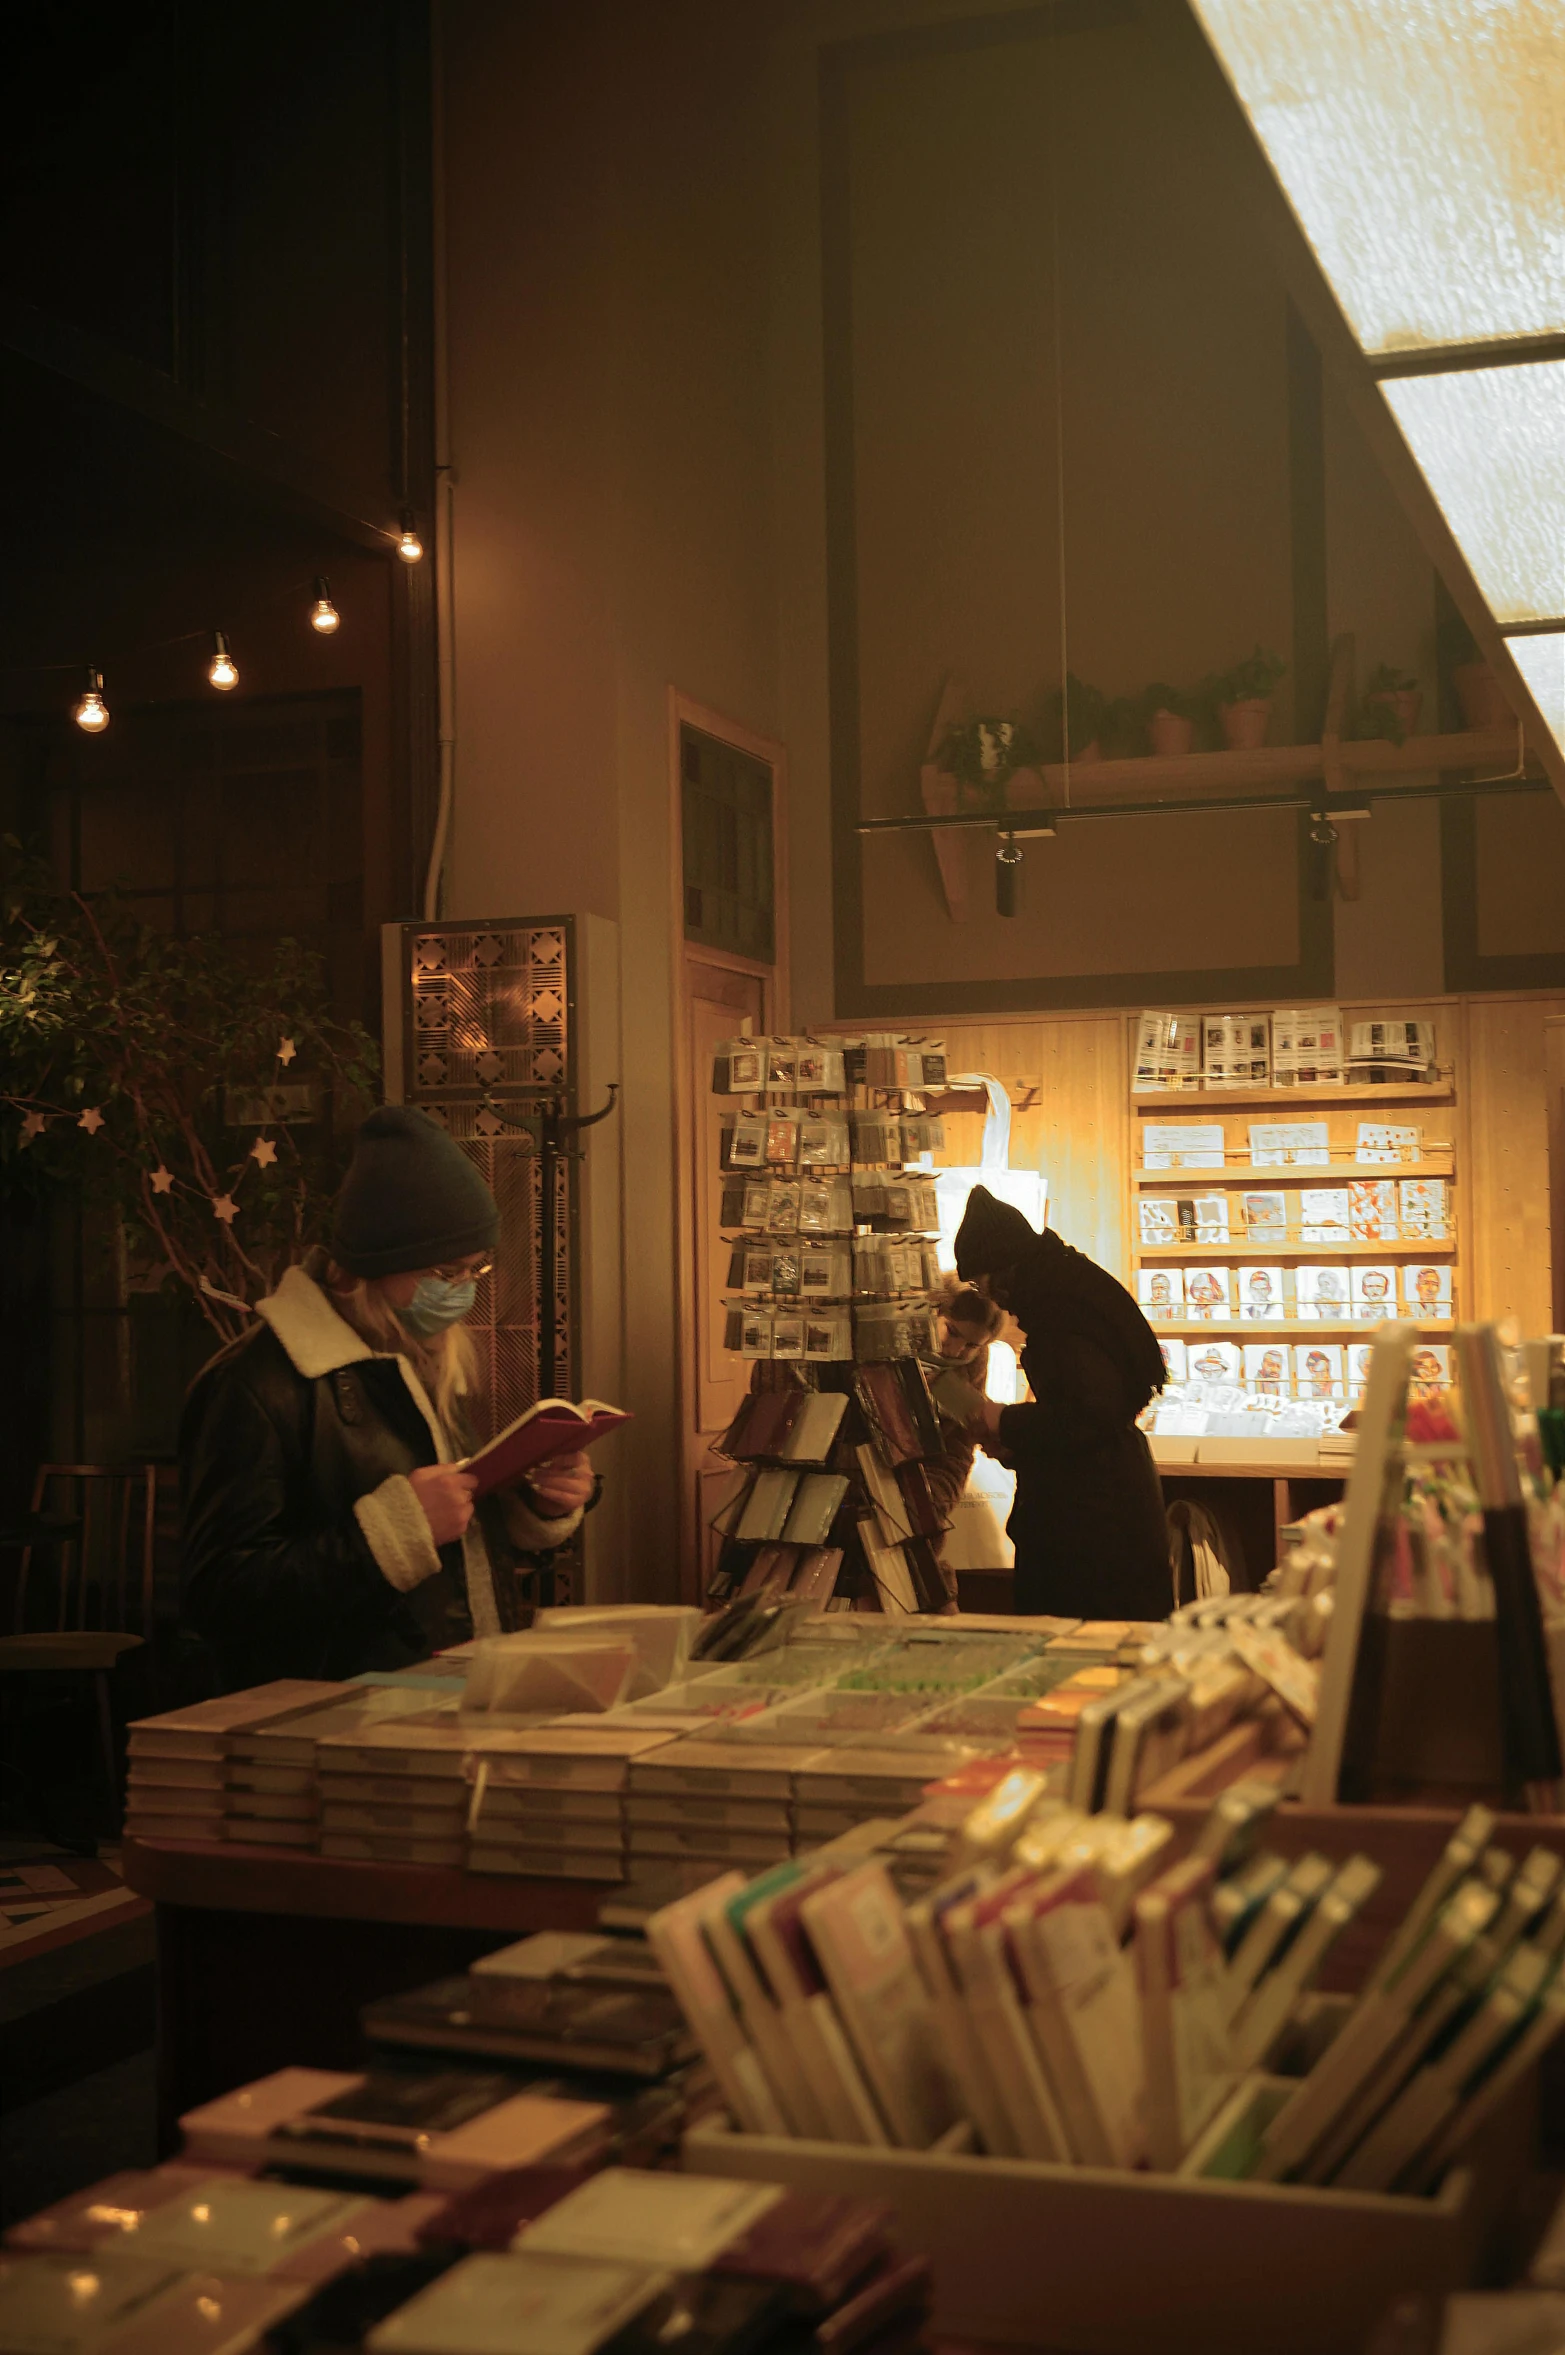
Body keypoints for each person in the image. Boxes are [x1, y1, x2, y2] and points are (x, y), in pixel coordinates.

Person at [180, 1106, 595, 1689]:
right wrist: (392, 1532)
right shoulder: (254, 1383)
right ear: (370, 1267)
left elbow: (455, 1534)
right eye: (445, 1272)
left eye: (475, 1270)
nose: (460, 1292)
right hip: (330, 1721)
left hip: (442, 1694)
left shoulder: (418, 1354)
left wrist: (540, 1504)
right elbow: (220, 1594)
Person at [951, 1187, 1170, 1621]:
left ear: (1002, 1265)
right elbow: (1082, 1420)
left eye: (981, 1281)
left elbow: (1090, 1413)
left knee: (1084, 1660)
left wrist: (1004, 1419)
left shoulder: (1060, 1309)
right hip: (1103, 1505)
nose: (989, 1298)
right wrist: (1017, 1444)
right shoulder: (1069, 1289)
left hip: (1094, 1527)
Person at [916, 1276, 1008, 1612]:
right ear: (933, 1310)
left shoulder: (970, 1364)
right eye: (952, 1332)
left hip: (926, 1485)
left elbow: (958, 1444)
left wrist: (936, 1496)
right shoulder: (890, 1341)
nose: (956, 1350)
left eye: (972, 1345)